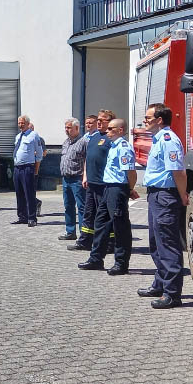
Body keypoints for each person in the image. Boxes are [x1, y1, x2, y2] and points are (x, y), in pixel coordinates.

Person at [137, 103, 190, 308]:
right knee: (156, 243)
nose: (145, 121)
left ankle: (172, 293)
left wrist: (181, 195)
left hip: (165, 196)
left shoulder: (168, 141)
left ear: (160, 120)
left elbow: (179, 172)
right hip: (156, 195)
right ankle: (160, 284)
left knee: (167, 244)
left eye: (148, 118)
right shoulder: (159, 139)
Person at [78, 118, 136, 275]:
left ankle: (121, 263)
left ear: (120, 130)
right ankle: (96, 258)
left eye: (111, 129)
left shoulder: (123, 147)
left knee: (120, 226)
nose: (108, 132)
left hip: (117, 188)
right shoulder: (113, 146)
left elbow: (130, 172)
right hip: (108, 187)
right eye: (108, 129)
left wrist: (129, 189)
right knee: (100, 222)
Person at [69, 110, 115, 251]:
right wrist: (85, 176)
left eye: (103, 119)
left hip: (104, 184)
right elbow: (87, 159)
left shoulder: (111, 138)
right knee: (89, 213)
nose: (99, 122)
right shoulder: (94, 137)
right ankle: (85, 241)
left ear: (111, 122)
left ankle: (109, 243)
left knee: (105, 215)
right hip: (92, 183)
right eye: (98, 119)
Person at [59, 117, 87, 241]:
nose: (66, 130)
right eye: (65, 127)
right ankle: (70, 231)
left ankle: (84, 233)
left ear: (76, 128)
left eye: (69, 127)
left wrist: (85, 177)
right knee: (68, 206)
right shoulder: (66, 142)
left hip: (77, 178)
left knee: (81, 207)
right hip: (66, 179)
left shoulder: (83, 141)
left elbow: (87, 160)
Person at [12, 115, 42, 227]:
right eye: (19, 123)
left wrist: (36, 169)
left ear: (27, 123)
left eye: (22, 123)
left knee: (29, 193)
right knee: (19, 193)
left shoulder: (33, 135)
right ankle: (22, 216)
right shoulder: (18, 136)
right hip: (17, 168)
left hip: (27, 167)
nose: (20, 125)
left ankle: (32, 218)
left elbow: (39, 154)